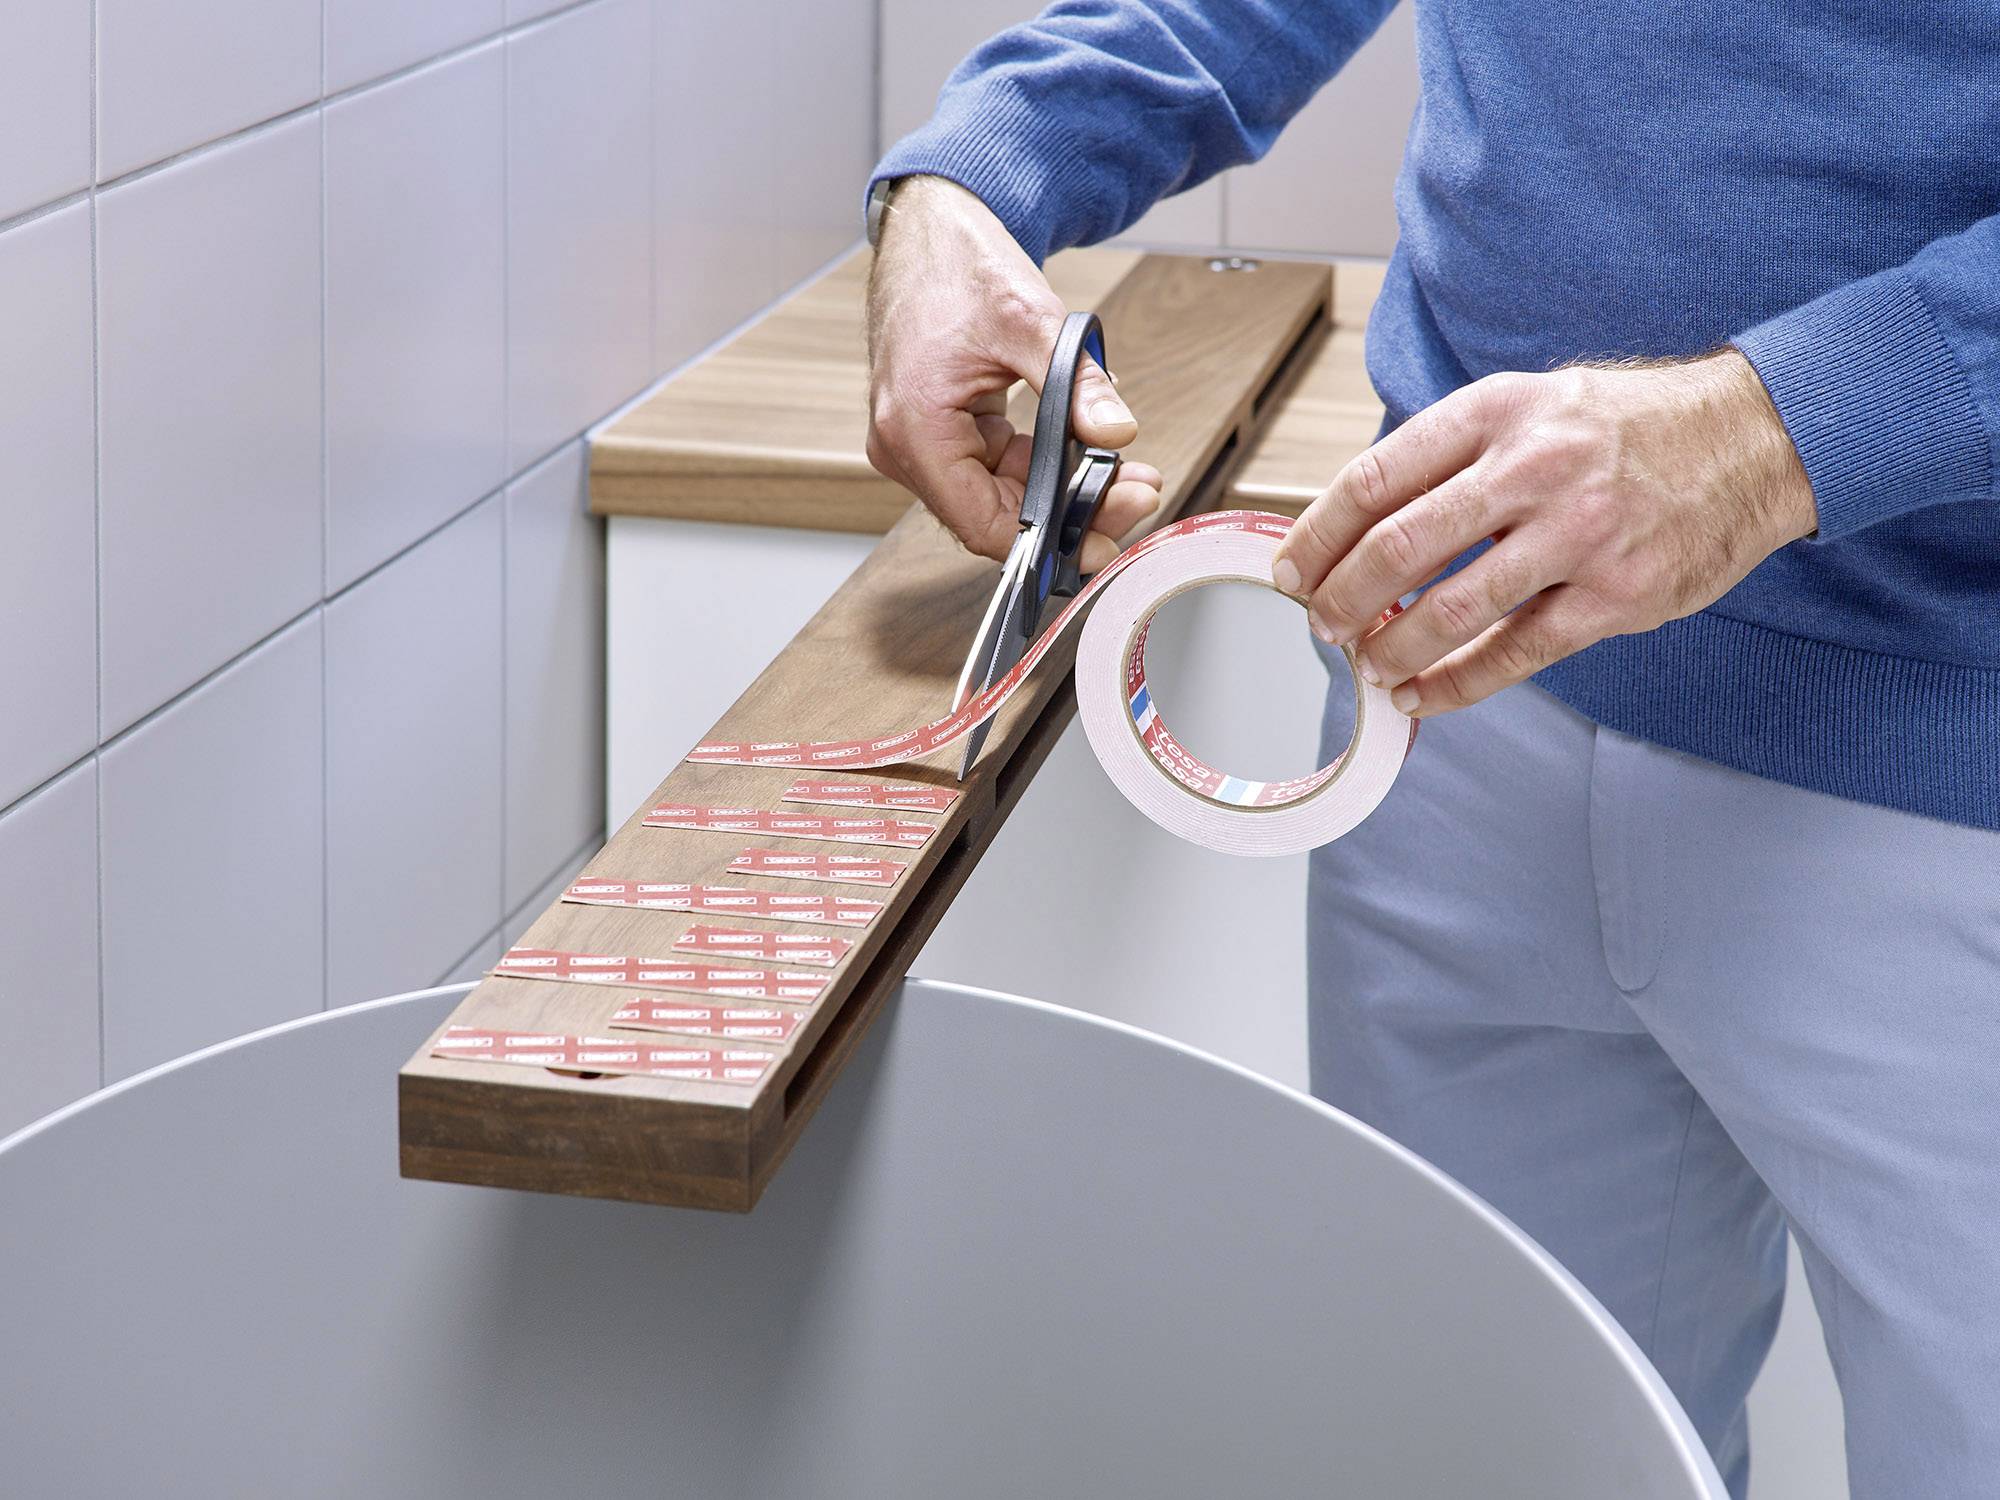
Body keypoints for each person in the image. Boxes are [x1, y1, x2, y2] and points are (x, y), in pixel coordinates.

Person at [860, 4, 2000, 1496]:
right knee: (1477, 1448)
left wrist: (1775, 435)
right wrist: (981, 172)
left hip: (1947, 786)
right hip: (1445, 717)